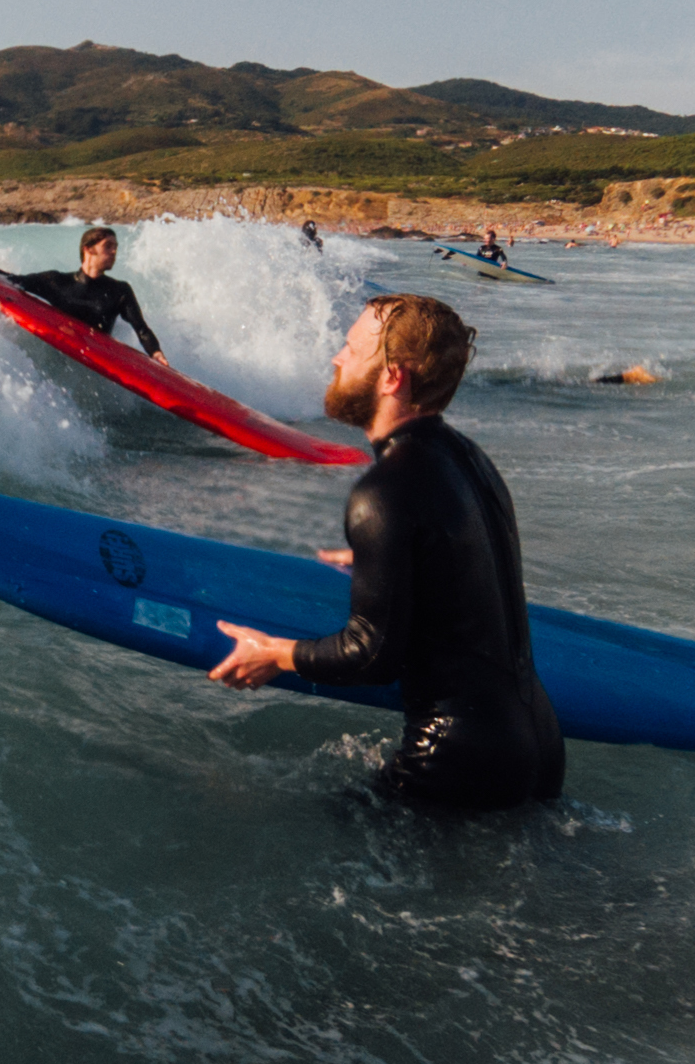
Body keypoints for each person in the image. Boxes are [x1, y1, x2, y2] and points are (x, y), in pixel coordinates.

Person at [207, 295, 565, 812]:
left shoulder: (383, 491)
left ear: (392, 377)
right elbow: (469, 550)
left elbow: (371, 654)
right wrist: (386, 557)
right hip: (539, 739)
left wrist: (275, 655)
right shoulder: (469, 459)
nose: (336, 358)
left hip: (454, 756)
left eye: (352, 349)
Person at [0, 226, 164, 357]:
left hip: (96, 360)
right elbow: (12, 281)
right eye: (108, 246)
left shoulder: (120, 291)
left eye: (116, 247)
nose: (114, 252)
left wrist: (156, 353)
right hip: (60, 354)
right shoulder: (56, 281)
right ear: (88, 249)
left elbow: (142, 330)